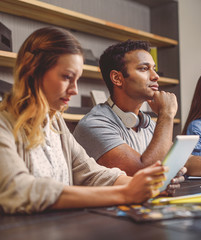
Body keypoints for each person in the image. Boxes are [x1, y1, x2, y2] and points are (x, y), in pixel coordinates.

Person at [0, 27, 168, 214]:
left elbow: (90, 172)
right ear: (33, 71)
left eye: (77, 79)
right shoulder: (3, 124)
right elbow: (20, 189)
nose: (75, 90)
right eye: (67, 77)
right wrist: (125, 193)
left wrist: (146, 186)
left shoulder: (55, 122)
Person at [73, 40, 186, 185]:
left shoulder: (147, 123)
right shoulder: (94, 124)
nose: (155, 76)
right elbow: (144, 172)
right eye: (144, 69)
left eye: (154, 68)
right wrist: (166, 113)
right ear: (117, 78)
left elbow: (180, 160)